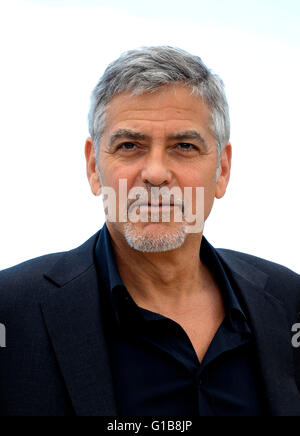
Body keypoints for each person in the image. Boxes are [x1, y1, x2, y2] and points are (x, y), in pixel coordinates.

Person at [0, 46, 299, 417]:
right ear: (94, 167)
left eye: (184, 146)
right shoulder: (10, 313)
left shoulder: (290, 303)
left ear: (222, 170)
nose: (155, 173)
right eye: (129, 146)